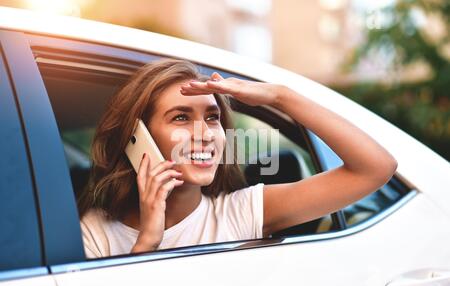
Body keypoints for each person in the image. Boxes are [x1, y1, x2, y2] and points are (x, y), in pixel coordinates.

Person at [78, 59, 397, 259]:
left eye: (213, 117)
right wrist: (148, 242)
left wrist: (280, 96)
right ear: (137, 139)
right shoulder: (94, 233)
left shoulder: (241, 212)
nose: (204, 133)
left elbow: (375, 168)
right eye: (180, 118)